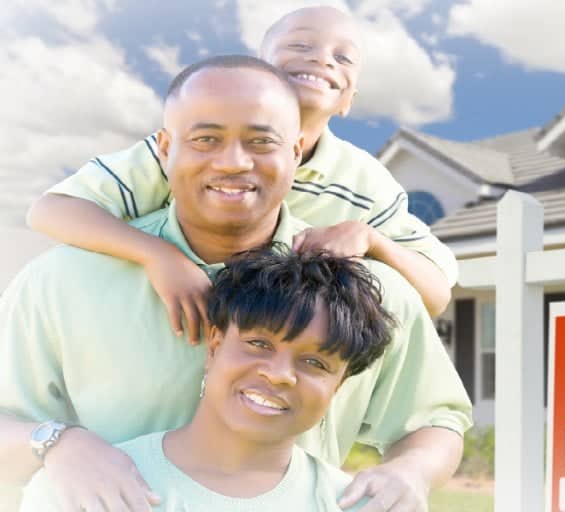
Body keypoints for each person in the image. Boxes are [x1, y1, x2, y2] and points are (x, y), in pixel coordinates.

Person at [0, 55, 471, 512]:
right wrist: (59, 444)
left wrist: (411, 473)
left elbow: (435, 417)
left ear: (296, 151)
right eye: (205, 139)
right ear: (166, 149)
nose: (232, 163)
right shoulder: (62, 281)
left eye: (260, 142)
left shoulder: (366, 294)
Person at [26, 7, 455, 350]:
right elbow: (51, 210)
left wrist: (371, 239)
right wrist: (157, 256)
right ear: (255, 69)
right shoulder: (191, 149)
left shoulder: (364, 182)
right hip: (165, 332)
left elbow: (434, 295)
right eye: (301, 44)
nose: (322, 58)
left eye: (343, 57)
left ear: (348, 100)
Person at [20, 247, 394, 511]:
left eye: (314, 362)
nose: (279, 375)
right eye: (259, 343)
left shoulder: (355, 504)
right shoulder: (82, 488)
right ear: (214, 346)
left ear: (338, 386)